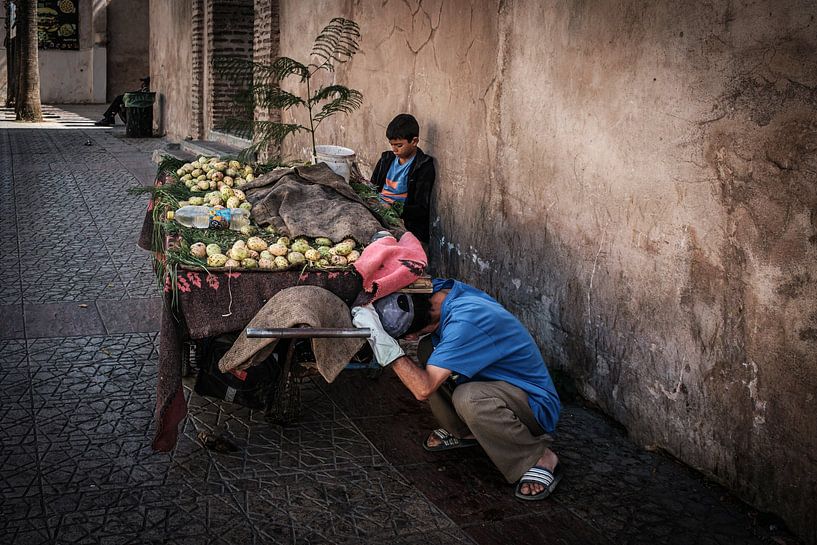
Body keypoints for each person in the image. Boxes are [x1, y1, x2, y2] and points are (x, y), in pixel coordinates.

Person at [351, 279, 562, 501]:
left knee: (469, 398)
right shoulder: (442, 291)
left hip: (534, 405)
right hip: (496, 384)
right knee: (429, 348)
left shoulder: (466, 322)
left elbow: (422, 389)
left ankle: (537, 457)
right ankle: (467, 432)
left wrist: (384, 343)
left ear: (409, 337)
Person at [370, 113, 436, 244]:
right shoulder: (386, 159)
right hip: (377, 213)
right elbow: (371, 188)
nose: (394, 149)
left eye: (399, 145)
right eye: (392, 144)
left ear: (414, 141)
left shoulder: (423, 166)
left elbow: (422, 208)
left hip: (403, 221)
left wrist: (394, 208)